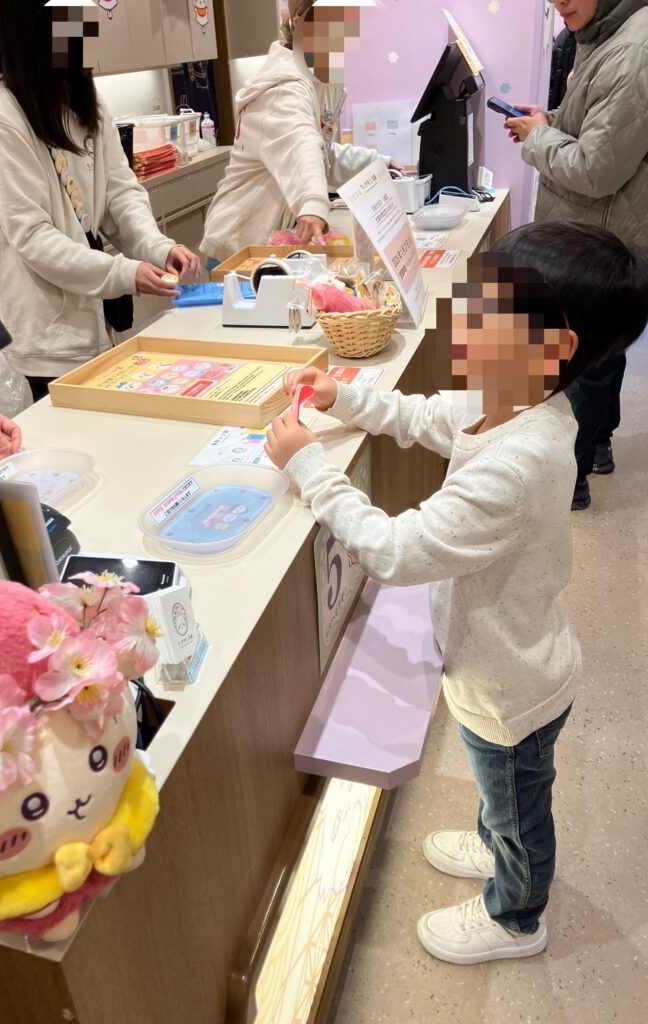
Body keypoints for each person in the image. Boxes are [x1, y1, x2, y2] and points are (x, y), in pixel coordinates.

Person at [264, 222, 648, 965]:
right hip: (495, 662)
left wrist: (311, 468)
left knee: (517, 806)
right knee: (497, 788)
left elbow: (396, 550)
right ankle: (492, 840)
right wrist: (343, 396)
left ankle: (517, 915)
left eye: (487, 311)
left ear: (554, 347)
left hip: (511, 686)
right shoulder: (504, 398)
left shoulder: (521, 460)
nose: (462, 318)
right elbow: (422, 416)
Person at [0, 0, 199, 402]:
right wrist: (125, 273)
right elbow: (33, 237)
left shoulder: (79, 91)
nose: (85, 23)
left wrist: (157, 247)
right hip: (49, 337)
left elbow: (119, 192)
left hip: (94, 316)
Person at [505, 0, 648, 510]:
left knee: (582, 362)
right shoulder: (607, 29)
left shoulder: (633, 50)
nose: (559, 1)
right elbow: (598, 126)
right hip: (606, 235)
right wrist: (551, 121)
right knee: (603, 352)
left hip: (600, 238)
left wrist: (537, 138)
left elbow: (594, 168)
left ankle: (571, 480)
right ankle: (598, 446)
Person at [200, 0, 403, 268]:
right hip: (238, 249)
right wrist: (313, 202)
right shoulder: (283, 89)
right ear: (299, 22)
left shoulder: (317, 79)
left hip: (269, 244)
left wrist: (375, 164)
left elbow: (322, 154)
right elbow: (301, 145)